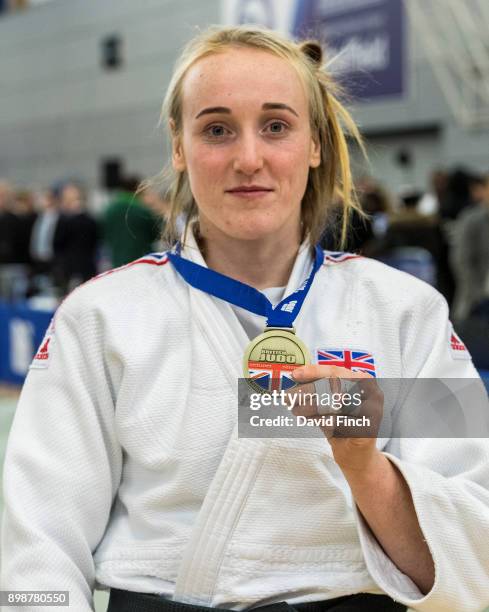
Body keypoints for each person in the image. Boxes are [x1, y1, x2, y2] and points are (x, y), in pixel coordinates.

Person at [2, 25, 489, 612]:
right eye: (216, 129)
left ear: (315, 146)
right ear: (179, 147)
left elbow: (477, 550)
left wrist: (366, 466)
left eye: (277, 126)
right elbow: (35, 546)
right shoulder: (100, 317)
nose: (248, 158)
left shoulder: (407, 311)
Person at [102, 176, 162, 268]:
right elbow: (156, 234)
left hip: (117, 259)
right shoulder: (142, 210)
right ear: (137, 189)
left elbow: (103, 235)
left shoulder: (109, 210)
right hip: (141, 260)